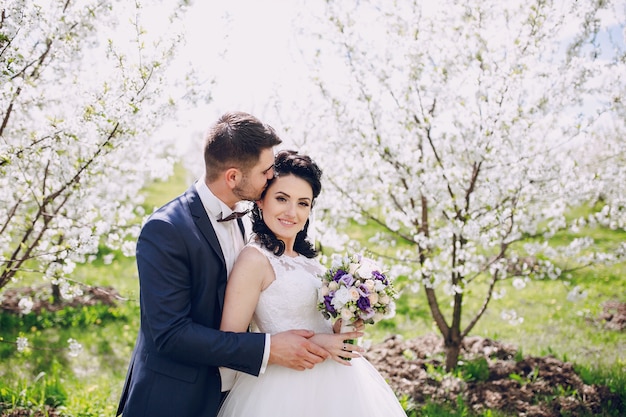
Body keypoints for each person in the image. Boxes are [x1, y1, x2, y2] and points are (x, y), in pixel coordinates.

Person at [116, 112, 363, 417]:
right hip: (176, 398)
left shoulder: (248, 224)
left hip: (244, 388)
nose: (271, 177)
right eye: (265, 172)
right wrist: (268, 349)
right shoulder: (166, 230)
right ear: (233, 177)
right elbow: (169, 334)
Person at [217, 150, 407, 416]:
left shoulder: (308, 261)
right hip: (284, 390)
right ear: (261, 200)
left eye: (303, 203)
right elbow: (230, 341)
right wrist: (317, 342)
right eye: (281, 198)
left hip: (338, 385)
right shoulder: (255, 259)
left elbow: (313, 318)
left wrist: (342, 324)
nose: (292, 212)